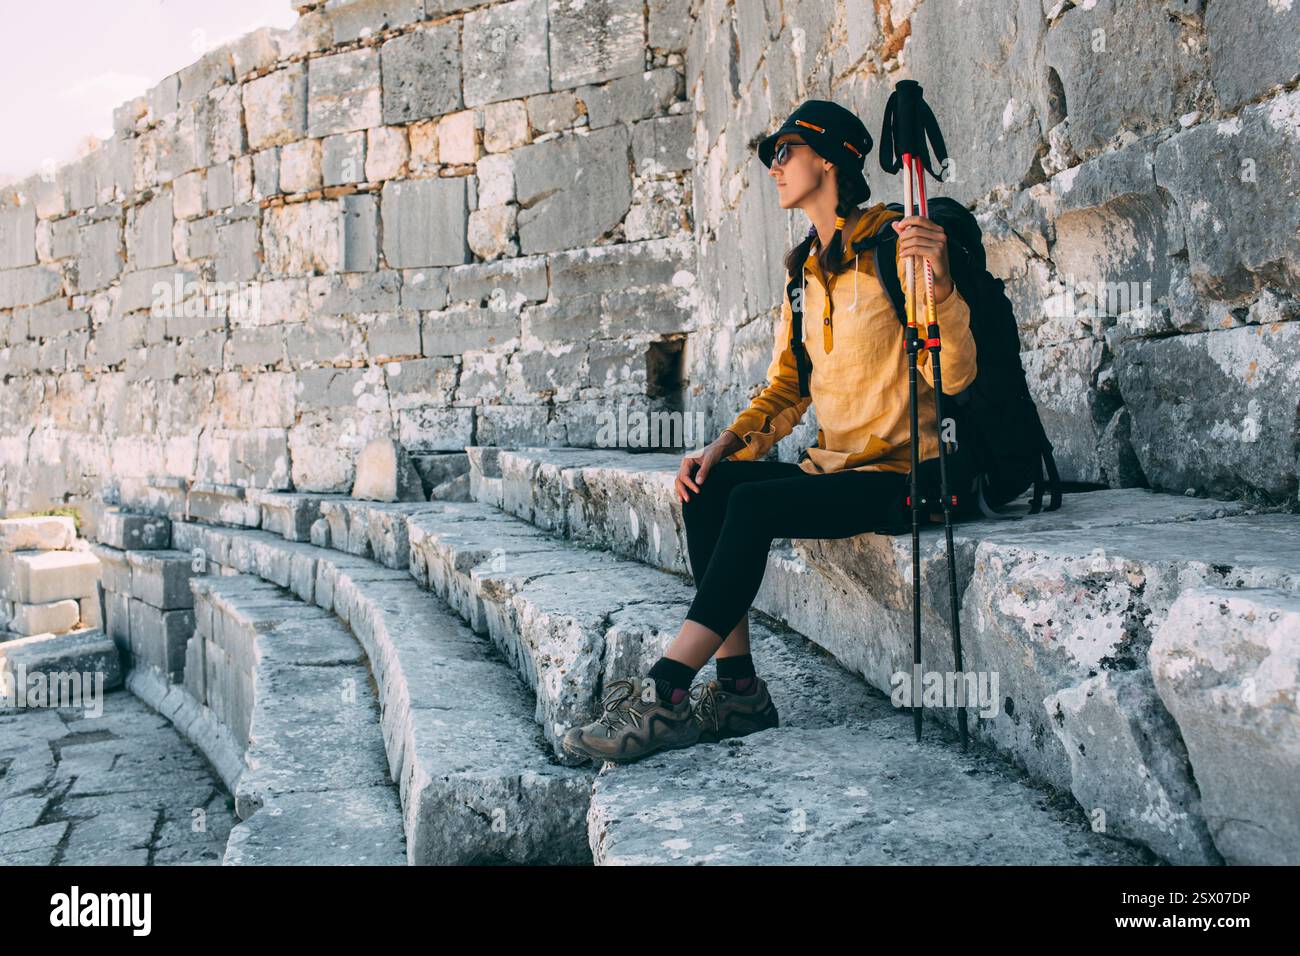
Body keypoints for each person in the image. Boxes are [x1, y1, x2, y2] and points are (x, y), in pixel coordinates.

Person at [561, 99, 977, 764]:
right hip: (830, 471)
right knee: (713, 485)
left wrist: (945, 285)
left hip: (901, 474)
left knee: (752, 503)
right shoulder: (803, 274)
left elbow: (953, 376)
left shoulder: (897, 244)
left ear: (831, 156)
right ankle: (738, 692)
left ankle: (667, 694)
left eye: (784, 151)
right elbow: (788, 388)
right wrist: (721, 447)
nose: (773, 167)